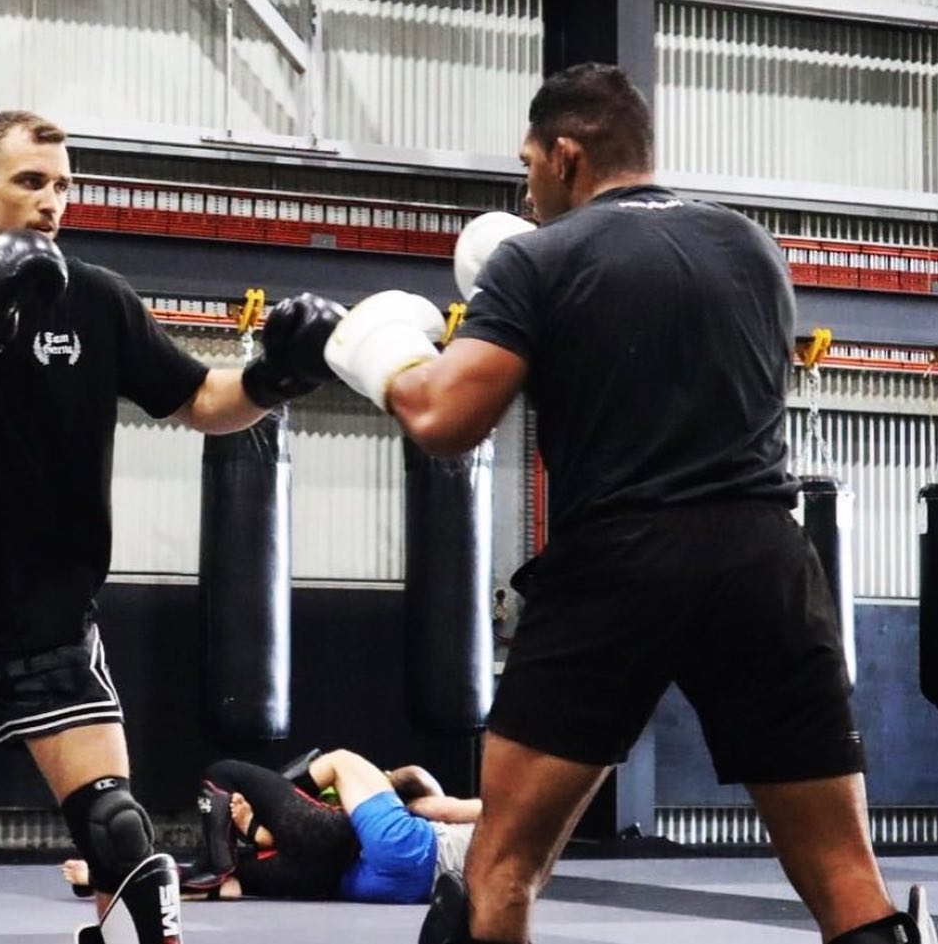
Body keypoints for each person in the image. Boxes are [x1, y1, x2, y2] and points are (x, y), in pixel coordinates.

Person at [321, 64, 936, 944]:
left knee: (501, 868)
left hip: (617, 565)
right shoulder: (750, 247)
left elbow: (444, 417)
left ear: (566, 156)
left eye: (530, 167)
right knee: (848, 878)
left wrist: (371, 350)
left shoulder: (539, 257)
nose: (527, 193)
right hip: (763, 560)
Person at [0, 109, 342, 944]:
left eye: (62, 185)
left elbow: (198, 400)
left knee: (119, 832)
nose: (51, 201)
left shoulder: (100, 301)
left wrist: (272, 376)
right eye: (30, 181)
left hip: (47, 618)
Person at [63, 749, 477, 904]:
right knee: (231, 882)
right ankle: (111, 877)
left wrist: (279, 794)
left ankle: (243, 841)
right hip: (383, 888)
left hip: (391, 859)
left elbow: (452, 807)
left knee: (342, 759)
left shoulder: (410, 807)